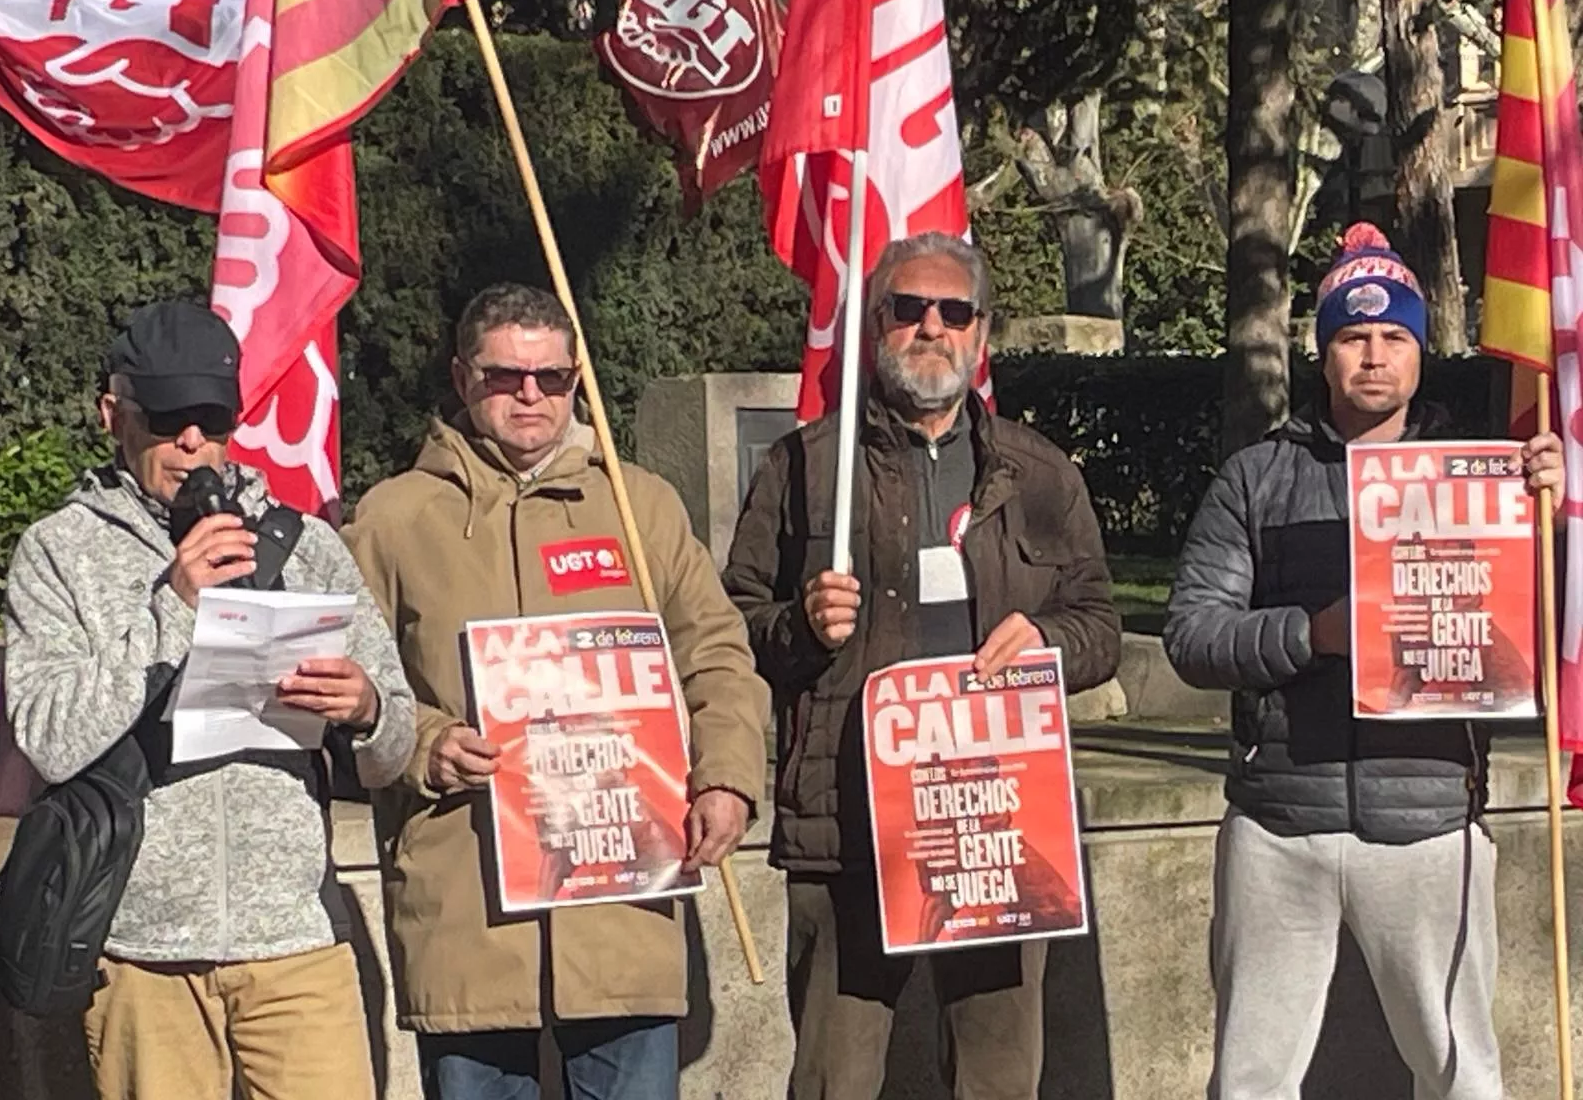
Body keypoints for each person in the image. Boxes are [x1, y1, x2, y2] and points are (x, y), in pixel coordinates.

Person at [1164, 223, 1565, 1100]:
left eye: (1394, 337)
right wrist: (1315, 636)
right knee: (1250, 1079)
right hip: (1279, 824)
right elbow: (1193, 634)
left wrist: (1555, 517)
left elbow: (1548, 630)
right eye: (1352, 335)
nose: (1373, 357)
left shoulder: (1489, 478)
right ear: (1323, 350)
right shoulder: (1255, 477)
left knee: (1462, 1073)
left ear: (1421, 350)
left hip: (1428, 823)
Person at [342, 283, 768, 1100]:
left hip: (623, 915)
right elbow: (352, 687)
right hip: (467, 911)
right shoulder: (392, 519)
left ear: (578, 381)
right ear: (463, 378)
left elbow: (716, 653)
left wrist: (727, 777)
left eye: (552, 377)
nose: (530, 395)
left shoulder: (641, 506)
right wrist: (425, 742)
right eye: (505, 376)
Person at [723, 232, 1122, 1100]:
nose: (931, 328)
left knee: (998, 1077)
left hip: (999, 824)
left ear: (982, 336)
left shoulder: (1039, 472)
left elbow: (1101, 627)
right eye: (909, 309)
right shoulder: (805, 468)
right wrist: (799, 625)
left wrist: (1048, 641)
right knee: (837, 1076)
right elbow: (733, 624)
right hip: (848, 821)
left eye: (954, 312)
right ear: (876, 328)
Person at [2, 301, 415, 1100]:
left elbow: (396, 742)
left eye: (212, 419)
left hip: (295, 940)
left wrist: (363, 706)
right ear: (112, 414)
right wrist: (174, 608)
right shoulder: (59, 552)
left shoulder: (307, 545)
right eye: (167, 417)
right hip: (138, 952)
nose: (192, 442)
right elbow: (50, 737)